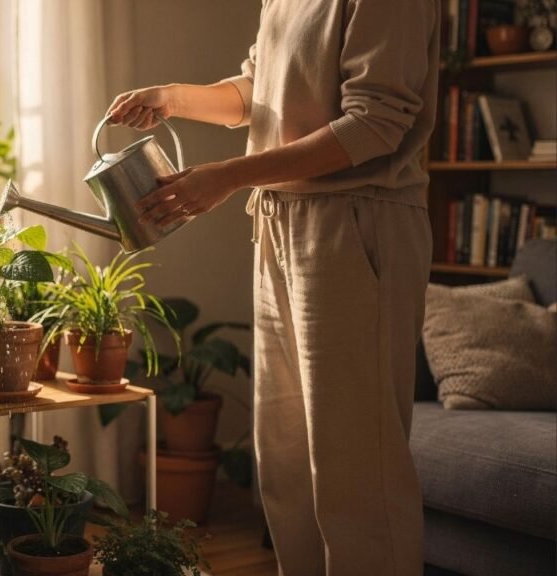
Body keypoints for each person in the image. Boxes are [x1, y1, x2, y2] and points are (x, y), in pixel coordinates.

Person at [107, 1, 440, 575]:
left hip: (355, 223)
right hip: (280, 219)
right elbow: (259, 89)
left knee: (357, 469)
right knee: (285, 463)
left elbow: (376, 123)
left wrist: (231, 176)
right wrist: (174, 98)